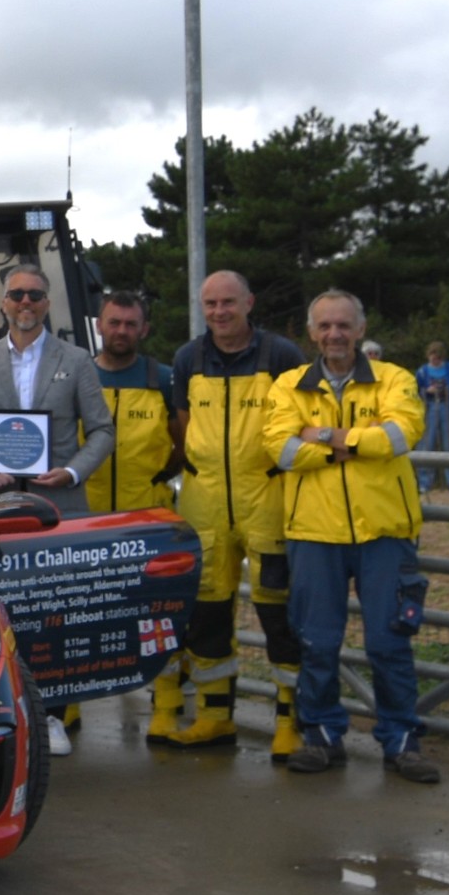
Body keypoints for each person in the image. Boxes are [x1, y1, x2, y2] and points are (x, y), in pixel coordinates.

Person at [266, 290, 437, 783]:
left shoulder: (395, 378)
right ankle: (320, 737)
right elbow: (277, 448)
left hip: (385, 532)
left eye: (344, 326)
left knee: (390, 642)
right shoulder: (289, 384)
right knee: (317, 641)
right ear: (312, 332)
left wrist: (319, 435)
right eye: (325, 326)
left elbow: (401, 436)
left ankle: (402, 740)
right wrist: (351, 444)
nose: (334, 335)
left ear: (360, 330)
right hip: (314, 533)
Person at [0, 263, 113, 755]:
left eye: (35, 295)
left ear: (48, 303)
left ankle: (54, 717)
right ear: (3, 303)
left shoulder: (77, 360)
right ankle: (6, 713)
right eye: (16, 295)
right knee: (5, 610)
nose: (26, 302)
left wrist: (71, 472)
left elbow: (103, 431)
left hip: (58, 505)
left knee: (56, 611)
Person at [162, 271, 305, 756]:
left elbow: (302, 422)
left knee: (278, 612)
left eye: (228, 302)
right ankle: (215, 716)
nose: (219, 312)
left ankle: (291, 721)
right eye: (210, 304)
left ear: (249, 302)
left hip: (268, 499)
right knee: (206, 613)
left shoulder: (281, 355)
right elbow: (183, 429)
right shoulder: (188, 358)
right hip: (204, 505)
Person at [85, 291, 179, 514]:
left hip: (147, 512)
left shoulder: (164, 380)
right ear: (99, 326)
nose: (121, 331)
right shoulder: (78, 378)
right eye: (114, 322)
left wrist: (156, 479)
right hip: (85, 513)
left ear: (144, 329)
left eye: (130, 324)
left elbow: (185, 446)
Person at [414, 341, 449, 495]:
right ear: (428, 356)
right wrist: (426, 391)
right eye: (432, 357)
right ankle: (424, 483)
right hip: (429, 408)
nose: (435, 360)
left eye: (438, 358)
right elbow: (414, 393)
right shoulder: (422, 372)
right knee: (425, 445)